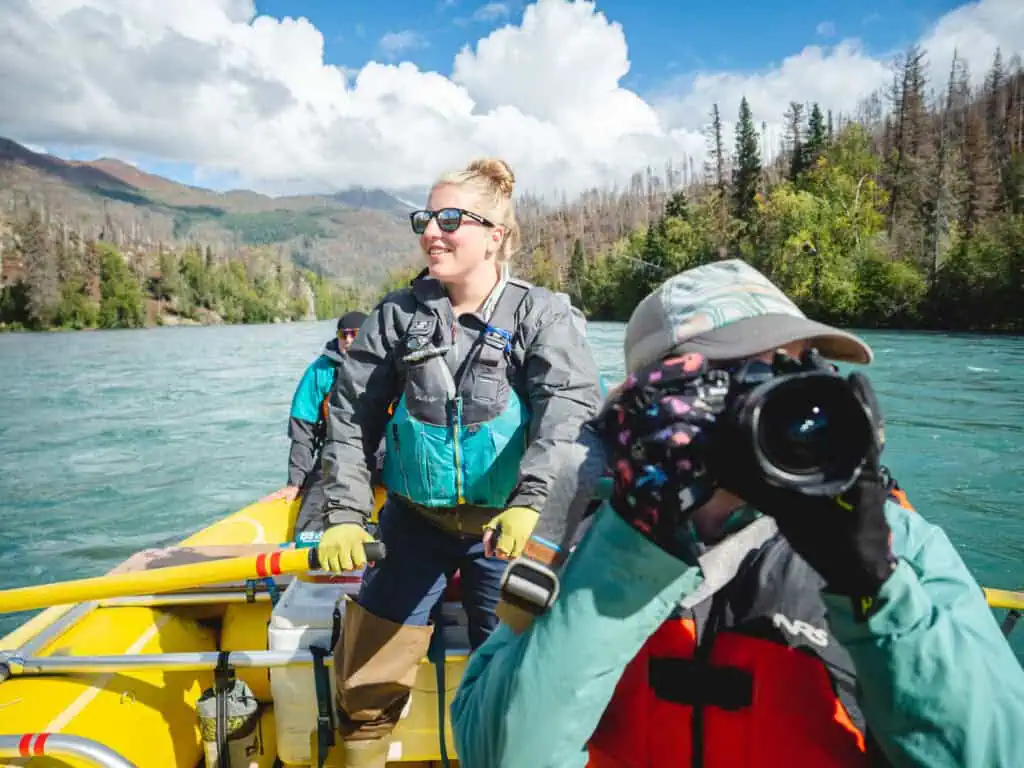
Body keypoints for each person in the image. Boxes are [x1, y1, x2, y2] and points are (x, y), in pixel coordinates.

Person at [450, 258, 1024, 768]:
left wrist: (872, 587)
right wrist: (634, 546)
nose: (775, 397)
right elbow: (498, 754)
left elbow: (996, 753)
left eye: (795, 369)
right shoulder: (579, 539)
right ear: (651, 401)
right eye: (735, 377)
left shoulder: (898, 543)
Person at [315, 157, 605, 766]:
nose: (431, 231)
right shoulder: (398, 315)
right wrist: (344, 513)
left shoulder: (541, 314)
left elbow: (570, 416)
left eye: (450, 218)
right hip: (411, 525)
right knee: (366, 676)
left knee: (517, 682)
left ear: (495, 235)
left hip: (508, 531)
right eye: (425, 217)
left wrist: (533, 505)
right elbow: (347, 416)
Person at [267, 311, 368, 536]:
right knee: (310, 517)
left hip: (383, 452)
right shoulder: (319, 371)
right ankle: (311, 547)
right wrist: (295, 482)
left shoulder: (387, 366)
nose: (349, 340)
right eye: (344, 335)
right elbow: (303, 430)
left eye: (355, 334)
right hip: (339, 453)